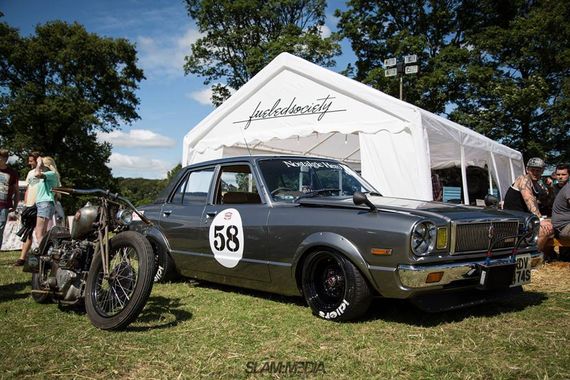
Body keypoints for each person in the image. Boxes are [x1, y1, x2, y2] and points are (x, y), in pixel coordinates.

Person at [503, 157, 553, 251]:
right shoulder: (523, 180)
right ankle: (533, 257)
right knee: (544, 229)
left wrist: (550, 188)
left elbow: (547, 202)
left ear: (542, 171)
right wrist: (540, 219)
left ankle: (549, 253)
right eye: (532, 169)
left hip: (526, 220)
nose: (535, 172)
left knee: (555, 223)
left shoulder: (537, 185)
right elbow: (529, 199)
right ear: (527, 169)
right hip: (514, 221)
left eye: (538, 170)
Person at [14, 151, 41, 266]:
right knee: (28, 231)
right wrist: (25, 202)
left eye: (31, 161)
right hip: (29, 205)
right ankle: (22, 258)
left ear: (37, 160)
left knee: (40, 232)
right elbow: (28, 188)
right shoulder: (30, 173)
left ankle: (42, 257)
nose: (29, 163)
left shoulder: (43, 172)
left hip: (40, 204)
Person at [32, 156, 61, 248]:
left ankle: (45, 254)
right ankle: (47, 253)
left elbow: (36, 174)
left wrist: (38, 164)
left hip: (45, 203)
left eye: (41, 165)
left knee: (39, 233)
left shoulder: (51, 174)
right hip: (44, 204)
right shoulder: (49, 175)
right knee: (42, 233)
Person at [0, 149, 19, 251]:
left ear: (5, 159)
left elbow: (16, 191)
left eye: (1, 157)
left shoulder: (12, 173)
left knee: (1, 228)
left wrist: (15, 205)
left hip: (4, 205)